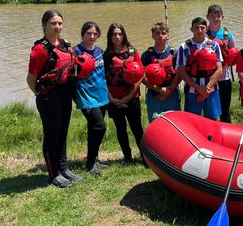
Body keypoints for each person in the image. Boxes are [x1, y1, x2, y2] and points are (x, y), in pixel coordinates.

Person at [27, 10, 78, 188]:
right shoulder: (40, 50)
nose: (57, 27)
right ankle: (53, 173)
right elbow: (31, 79)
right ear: (44, 25)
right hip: (49, 97)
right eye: (53, 23)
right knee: (52, 135)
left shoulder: (65, 44)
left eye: (59, 23)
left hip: (65, 95)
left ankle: (64, 168)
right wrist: (39, 93)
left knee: (62, 132)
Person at [104, 23, 145, 164]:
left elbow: (140, 74)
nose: (117, 37)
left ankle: (145, 157)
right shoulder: (106, 55)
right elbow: (102, 78)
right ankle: (127, 157)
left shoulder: (133, 52)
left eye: (120, 34)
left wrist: (128, 97)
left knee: (137, 128)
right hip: (114, 99)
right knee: (120, 128)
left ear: (124, 35)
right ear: (110, 36)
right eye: (114, 34)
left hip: (132, 98)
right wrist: (111, 97)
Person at [73, 22, 109, 176]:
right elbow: (71, 76)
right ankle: (89, 165)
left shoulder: (100, 50)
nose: (92, 36)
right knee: (100, 127)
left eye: (95, 33)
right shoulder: (75, 51)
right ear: (83, 34)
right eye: (89, 33)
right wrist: (74, 97)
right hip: (86, 96)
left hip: (102, 95)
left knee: (93, 130)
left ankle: (94, 159)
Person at [176, 17, 224, 120]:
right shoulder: (184, 47)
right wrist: (198, 88)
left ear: (206, 29)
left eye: (202, 28)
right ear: (191, 29)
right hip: (192, 90)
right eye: (196, 28)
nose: (199, 30)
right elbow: (182, 72)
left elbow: (219, 70)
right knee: (192, 121)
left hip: (211, 90)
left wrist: (206, 89)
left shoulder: (214, 45)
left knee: (212, 120)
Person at [141, 22, 182, 122]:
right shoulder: (146, 55)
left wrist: (170, 90)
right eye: (157, 33)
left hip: (171, 94)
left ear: (168, 35)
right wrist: (158, 90)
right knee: (156, 123)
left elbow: (180, 73)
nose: (160, 36)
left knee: (175, 123)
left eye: (163, 33)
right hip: (154, 94)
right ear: (152, 36)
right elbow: (141, 76)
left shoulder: (175, 53)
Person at [206, 4, 236, 123]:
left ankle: (227, 137)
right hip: (208, 78)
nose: (215, 19)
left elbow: (234, 53)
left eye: (218, 16)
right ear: (207, 17)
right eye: (212, 16)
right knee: (210, 111)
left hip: (224, 77)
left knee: (225, 110)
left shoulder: (228, 34)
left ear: (222, 17)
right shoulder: (203, 33)